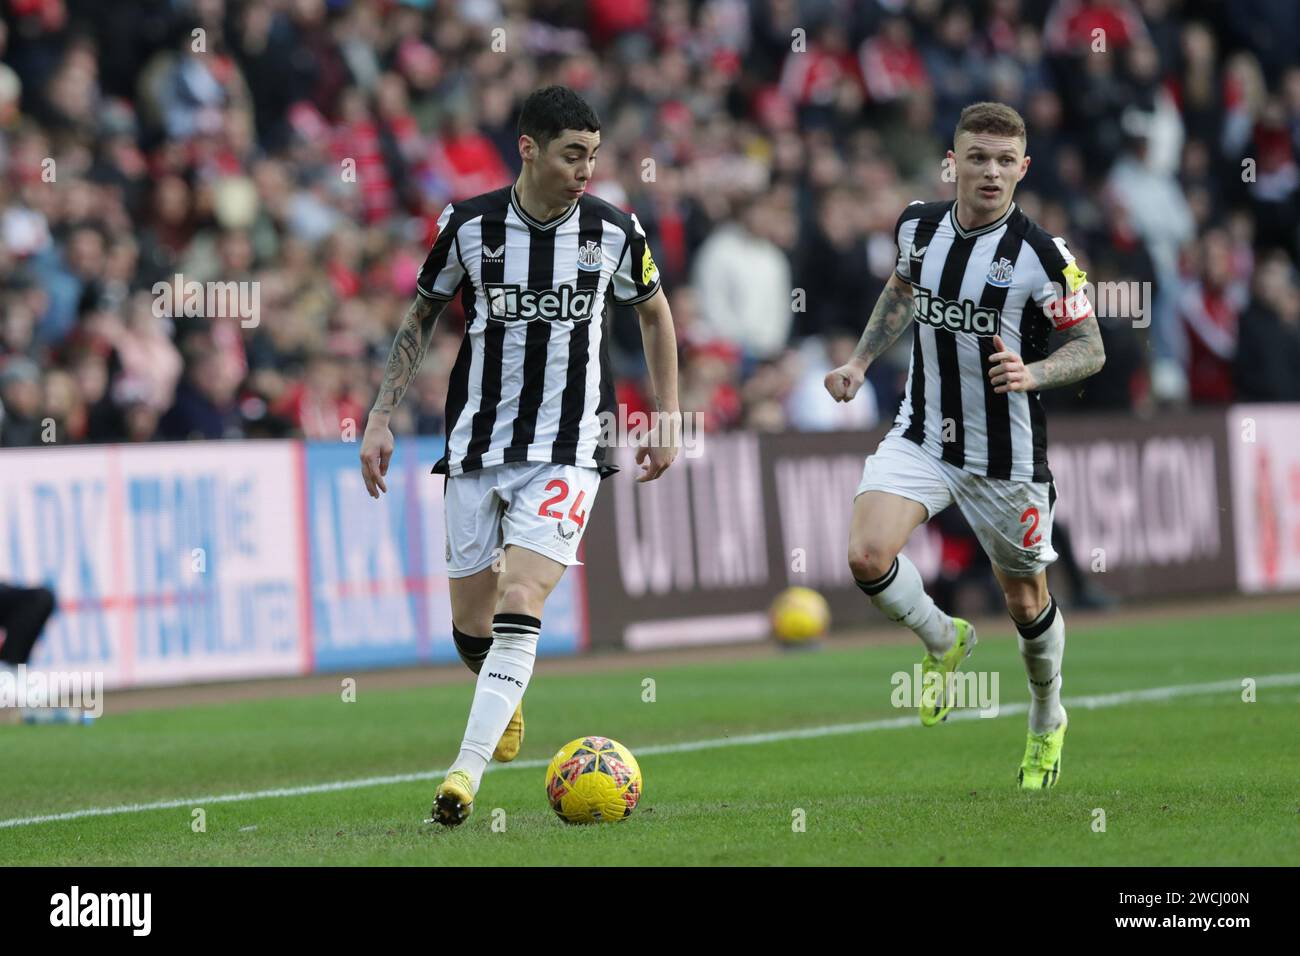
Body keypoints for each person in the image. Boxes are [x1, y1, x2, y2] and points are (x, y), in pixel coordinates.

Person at [359, 86, 680, 826]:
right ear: (528, 148)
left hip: (571, 445)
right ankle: (502, 698)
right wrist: (380, 415)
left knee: (520, 598)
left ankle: (461, 777)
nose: (586, 170)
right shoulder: (467, 226)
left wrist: (667, 415)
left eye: (594, 156)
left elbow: (655, 312)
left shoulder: (614, 230)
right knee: (472, 630)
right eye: (573, 154)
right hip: (476, 445)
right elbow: (422, 313)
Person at [825, 101, 1105, 790]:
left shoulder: (1045, 256)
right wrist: (860, 363)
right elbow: (901, 290)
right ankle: (943, 637)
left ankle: (1046, 717)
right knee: (865, 554)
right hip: (922, 433)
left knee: (1025, 602)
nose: (991, 171)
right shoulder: (917, 226)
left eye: (1006, 160)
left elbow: (1090, 348)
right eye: (978, 157)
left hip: (1003, 457)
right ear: (954, 161)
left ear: (1024, 168)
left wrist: (1033, 371)